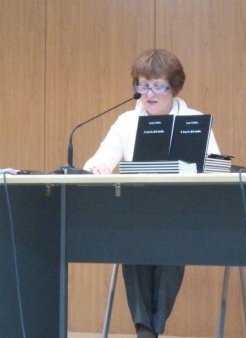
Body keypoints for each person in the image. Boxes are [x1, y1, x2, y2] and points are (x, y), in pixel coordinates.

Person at [84, 49, 220, 338]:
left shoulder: (195, 120)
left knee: (172, 241)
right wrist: (95, 168)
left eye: (158, 85)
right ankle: (147, 330)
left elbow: (215, 169)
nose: (149, 93)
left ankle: (148, 329)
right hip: (137, 215)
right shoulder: (126, 122)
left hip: (182, 217)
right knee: (131, 239)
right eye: (143, 85)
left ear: (174, 86)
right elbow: (99, 161)